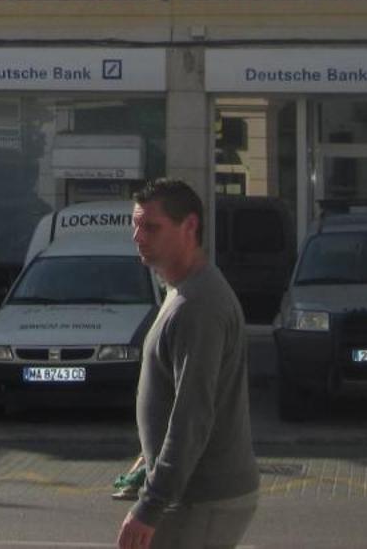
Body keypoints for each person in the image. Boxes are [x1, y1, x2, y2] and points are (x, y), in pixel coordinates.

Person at [117, 179, 259, 549]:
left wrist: (150, 505)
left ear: (190, 227)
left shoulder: (198, 304)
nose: (137, 236)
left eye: (151, 227)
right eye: (135, 224)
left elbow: (192, 413)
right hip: (191, 495)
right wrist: (149, 462)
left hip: (199, 500)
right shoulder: (182, 291)